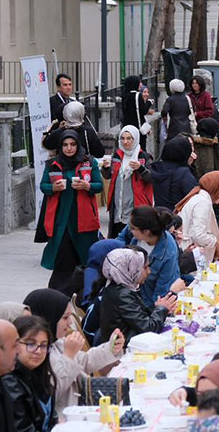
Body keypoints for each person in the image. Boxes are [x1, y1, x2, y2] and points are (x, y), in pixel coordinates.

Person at [22, 288, 124, 415]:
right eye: (65, 317)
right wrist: (68, 356)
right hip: (62, 418)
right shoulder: (35, 353)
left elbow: (84, 361)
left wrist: (110, 348)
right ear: (49, 318)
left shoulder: (56, 343)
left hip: (77, 411)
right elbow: (52, 392)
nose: (70, 322)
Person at [36, 130, 103, 294]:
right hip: (61, 218)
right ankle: (59, 295)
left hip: (84, 219)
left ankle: (86, 292)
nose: (69, 148)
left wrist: (87, 186)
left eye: (72, 144)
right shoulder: (52, 164)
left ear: (78, 145)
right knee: (63, 258)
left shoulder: (89, 162)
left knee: (85, 258)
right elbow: (43, 185)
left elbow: (99, 185)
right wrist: (53, 187)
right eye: (65, 145)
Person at [96, 248, 176, 346]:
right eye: (145, 268)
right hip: (124, 350)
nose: (149, 272)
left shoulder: (121, 288)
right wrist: (161, 309)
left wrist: (159, 309)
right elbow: (148, 328)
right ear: (132, 268)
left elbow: (140, 319)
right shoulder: (122, 295)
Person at [114, 206, 183, 305]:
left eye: (132, 228)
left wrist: (150, 315)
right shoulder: (135, 226)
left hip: (150, 300)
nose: (129, 229)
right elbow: (119, 242)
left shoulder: (168, 252)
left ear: (146, 231)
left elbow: (161, 293)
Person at [1, 316, 57, 432]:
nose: (38, 351)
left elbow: (52, 422)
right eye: (30, 344)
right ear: (15, 345)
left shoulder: (40, 376)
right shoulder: (10, 381)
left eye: (43, 345)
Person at [103, 125, 153, 238]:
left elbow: (151, 178)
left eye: (129, 138)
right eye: (122, 138)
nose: (125, 142)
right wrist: (106, 168)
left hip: (135, 207)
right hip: (117, 209)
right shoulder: (116, 155)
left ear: (135, 139)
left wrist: (140, 168)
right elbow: (108, 176)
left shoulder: (144, 157)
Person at [176, 171, 219, 264]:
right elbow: (198, 234)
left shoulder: (200, 198)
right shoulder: (202, 202)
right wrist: (215, 241)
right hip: (192, 253)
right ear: (217, 189)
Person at [149, 135, 199, 212]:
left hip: (158, 214)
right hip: (178, 215)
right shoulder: (183, 173)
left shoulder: (156, 168)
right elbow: (193, 196)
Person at [120, 76, 152, 146]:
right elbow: (143, 110)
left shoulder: (124, 96)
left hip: (127, 127)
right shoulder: (137, 95)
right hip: (138, 127)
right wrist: (149, 103)